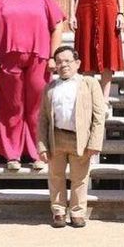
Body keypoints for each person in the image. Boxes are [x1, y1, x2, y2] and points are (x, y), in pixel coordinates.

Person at [0, 0, 66, 172]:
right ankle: (12, 154)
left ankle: (37, 153)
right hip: (8, 59)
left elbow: (57, 26)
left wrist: (53, 56)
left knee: (36, 109)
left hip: (38, 59)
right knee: (11, 107)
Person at [37, 46, 108, 228]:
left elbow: (99, 115)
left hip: (80, 139)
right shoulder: (50, 88)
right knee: (55, 176)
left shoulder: (89, 84)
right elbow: (43, 119)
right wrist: (42, 146)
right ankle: (58, 212)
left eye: (67, 61)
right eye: (59, 62)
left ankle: (77, 212)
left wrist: (94, 142)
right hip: (57, 138)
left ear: (77, 63)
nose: (63, 65)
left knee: (80, 178)